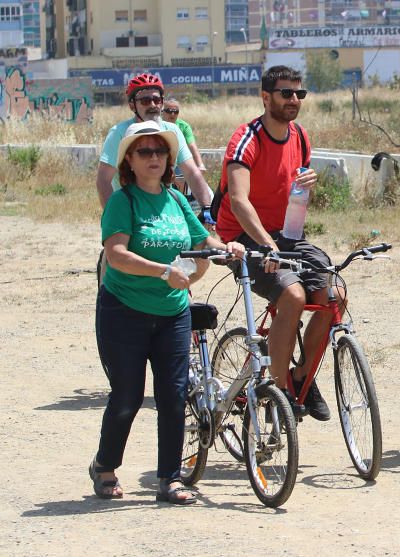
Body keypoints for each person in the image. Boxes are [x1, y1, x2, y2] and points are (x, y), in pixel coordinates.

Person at [92, 121, 244, 504]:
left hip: (173, 311)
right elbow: (117, 255)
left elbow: (200, 237)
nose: (155, 158)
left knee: (174, 395)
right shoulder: (121, 202)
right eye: (145, 152)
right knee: (127, 396)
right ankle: (105, 466)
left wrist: (226, 247)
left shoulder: (175, 199)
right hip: (123, 310)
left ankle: (170, 478)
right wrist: (163, 271)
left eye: (160, 151)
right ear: (129, 159)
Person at [213, 65, 334, 421]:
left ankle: (301, 378)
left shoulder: (300, 137)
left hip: (287, 236)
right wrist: (268, 246)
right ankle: (278, 395)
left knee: (334, 296)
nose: (293, 100)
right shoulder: (247, 138)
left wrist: (307, 184)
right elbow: (238, 200)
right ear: (266, 97)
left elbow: (294, 193)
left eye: (299, 93)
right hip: (244, 238)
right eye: (285, 93)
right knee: (293, 296)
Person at [95, 74, 214, 223]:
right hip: (129, 209)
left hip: (164, 210)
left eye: (157, 100)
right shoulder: (119, 133)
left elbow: (192, 172)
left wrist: (207, 207)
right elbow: (103, 181)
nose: (152, 105)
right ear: (132, 105)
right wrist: (113, 218)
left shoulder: (173, 131)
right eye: (145, 101)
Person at [161, 97, 209, 192]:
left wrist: (200, 164)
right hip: (161, 162)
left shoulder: (184, 126)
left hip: (178, 162)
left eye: (176, 111)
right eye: (169, 111)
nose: (172, 114)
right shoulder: (156, 125)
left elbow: (192, 146)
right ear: (162, 111)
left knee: (184, 184)